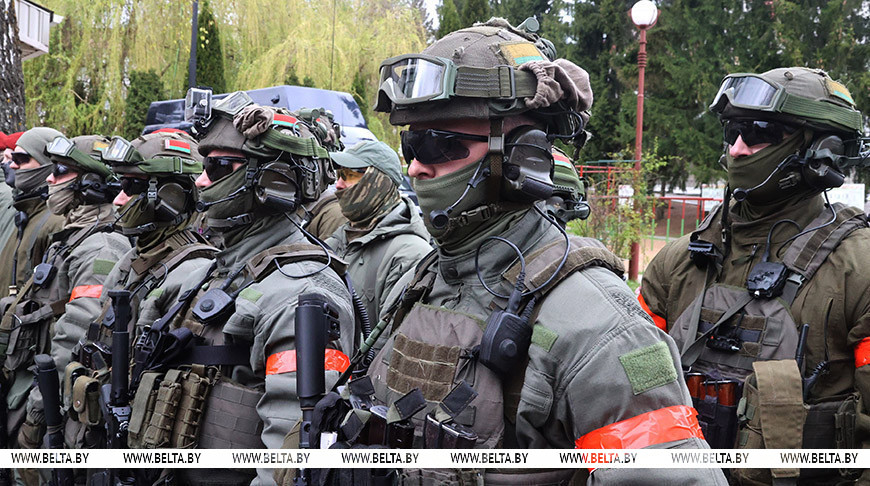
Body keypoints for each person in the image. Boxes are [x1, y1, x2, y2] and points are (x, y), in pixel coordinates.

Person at [358, 18, 722, 485]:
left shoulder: (600, 326)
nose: (414, 168)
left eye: (438, 144)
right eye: (411, 143)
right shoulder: (427, 279)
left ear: (522, 154)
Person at [640, 67, 870, 485]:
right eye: (732, 132)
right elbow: (629, 394)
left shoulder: (859, 267)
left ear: (823, 150)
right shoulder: (679, 260)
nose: (738, 149)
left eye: (758, 132)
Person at [129, 95, 356, 486]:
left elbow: (288, 462)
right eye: (204, 165)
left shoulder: (301, 292)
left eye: (218, 167)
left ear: (274, 180)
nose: (202, 181)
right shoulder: (212, 272)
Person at [57, 130, 218, 454]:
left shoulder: (191, 274)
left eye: (131, 187)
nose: (118, 199)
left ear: (171, 198)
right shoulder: (133, 258)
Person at [0, 134, 130, 483]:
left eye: (59, 171)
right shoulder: (72, 240)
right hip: (28, 387)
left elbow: (77, 335)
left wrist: (38, 412)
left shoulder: (100, 248)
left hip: (49, 403)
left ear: (90, 185)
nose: (49, 179)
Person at [325, 140, 431, 334]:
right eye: (339, 174)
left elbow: (389, 340)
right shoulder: (337, 239)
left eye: (350, 175)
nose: (339, 185)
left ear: (378, 183)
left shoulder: (410, 254)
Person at [0, 128, 65, 299]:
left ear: (48, 164)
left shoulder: (57, 221)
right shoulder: (25, 212)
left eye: (20, 159)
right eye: (11, 158)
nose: (12, 165)